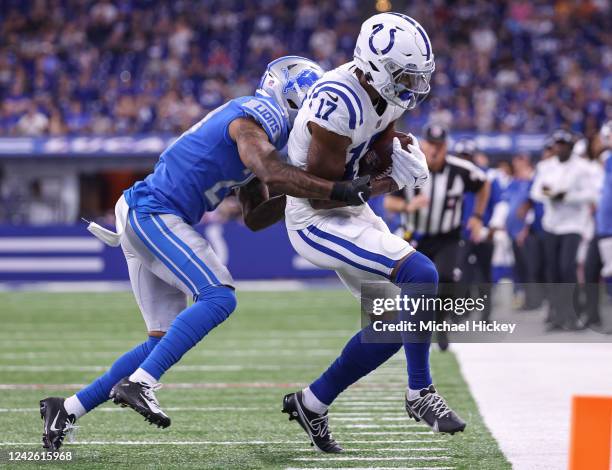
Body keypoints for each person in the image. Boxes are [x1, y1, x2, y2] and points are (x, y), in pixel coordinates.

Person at [38, 56, 373, 451]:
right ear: (292, 95)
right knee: (218, 295)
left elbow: (254, 216)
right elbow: (270, 171)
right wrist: (338, 189)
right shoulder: (258, 115)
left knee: (159, 342)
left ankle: (67, 408)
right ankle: (141, 383)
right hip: (155, 210)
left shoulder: (260, 130)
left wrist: (313, 196)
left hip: (149, 212)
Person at [281, 13, 466, 454]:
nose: (413, 86)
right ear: (374, 65)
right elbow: (325, 196)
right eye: (404, 75)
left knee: (391, 324)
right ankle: (419, 392)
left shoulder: (383, 90)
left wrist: (397, 152)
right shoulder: (336, 103)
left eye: (417, 76)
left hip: (348, 206)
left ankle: (312, 402)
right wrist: (390, 181)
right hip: (315, 217)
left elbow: (380, 134)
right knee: (420, 273)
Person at [385, 126, 490, 348]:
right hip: (416, 235)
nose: (434, 150)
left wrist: (478, 216)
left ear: (446, 147)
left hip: (447, 237)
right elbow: (389, 203)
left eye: (439, 146)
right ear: (423, 144)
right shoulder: (409, 168)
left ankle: (440, 323)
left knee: (446, 278)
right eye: (431, 144)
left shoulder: (461, 170)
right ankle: (415, 324)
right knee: (413, 282)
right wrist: (408, 205)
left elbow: (483, 184)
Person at [530, 129, 600, 330]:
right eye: (557, 145)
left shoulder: (582, 167)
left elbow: (592, 193)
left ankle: (573, 313)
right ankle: (556, 314)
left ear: (570, 147)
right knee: (552, 271)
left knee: (567, 268)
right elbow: (535, 191)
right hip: (551, 223)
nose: (560, 148)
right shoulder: (545, 166)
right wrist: (549, 194)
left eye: (563, 145)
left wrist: (567, 196)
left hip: (573, 224)